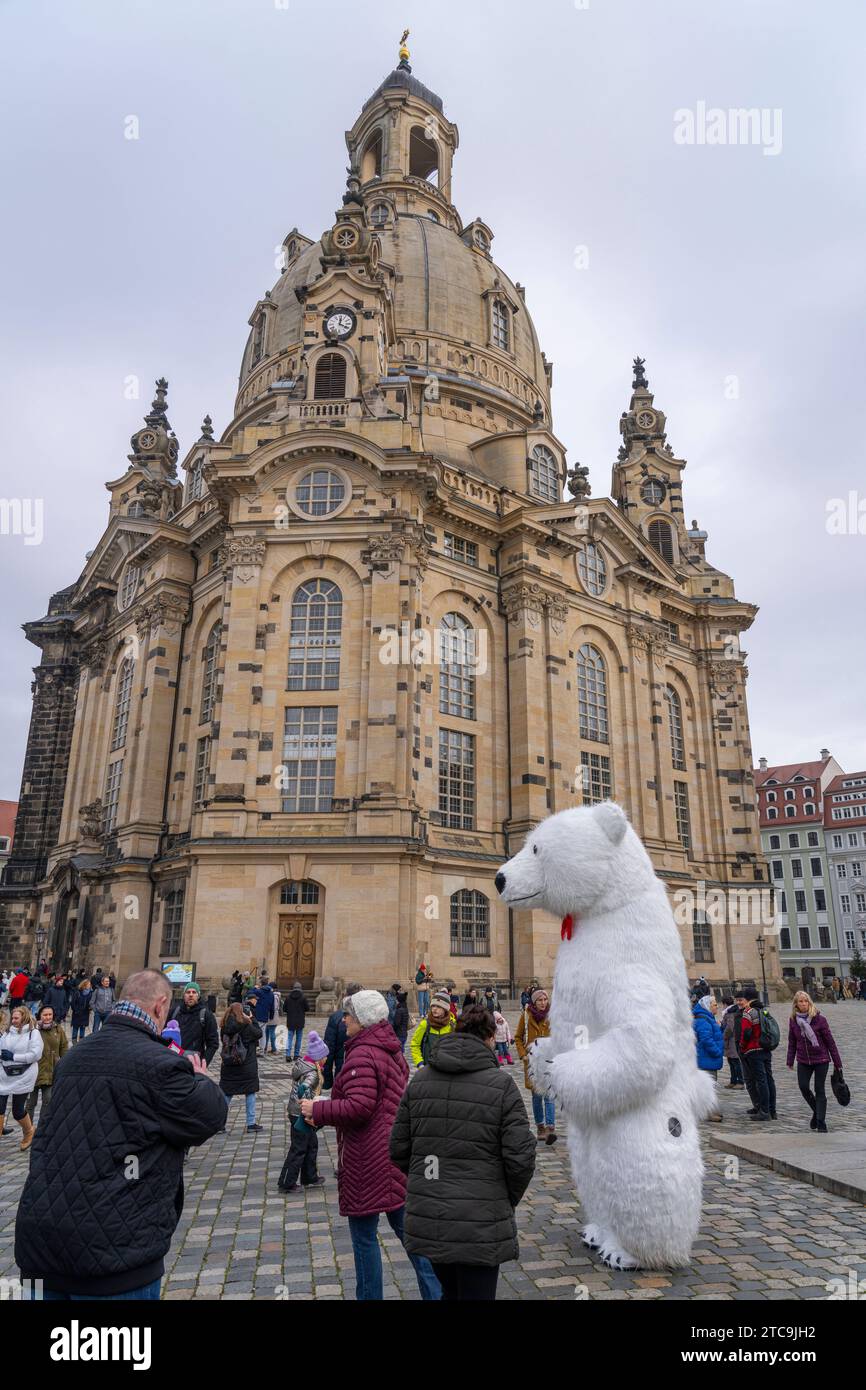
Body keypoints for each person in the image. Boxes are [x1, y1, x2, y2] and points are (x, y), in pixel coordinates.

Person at [15, 969, 226, 1300]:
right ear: (160, 1006)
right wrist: (198, 1077)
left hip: (41, 1246)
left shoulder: (73, 1057)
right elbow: (209, 1114)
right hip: (114, 1258)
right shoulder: (160, 1063)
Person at [391, 1004, 536, 1301]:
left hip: (431, 1217)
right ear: (489, 1037)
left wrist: (429, 1183)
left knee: (449, 1293)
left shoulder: (420, 1081)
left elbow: (399, 1148)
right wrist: (504, 1198)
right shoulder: (502, 1085)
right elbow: (521, 1157)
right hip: (482, 1221)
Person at [301, 990, 440, 1301]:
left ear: (363, 1019)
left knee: (364, 1241)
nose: (344, 1019)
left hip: (368, 1159)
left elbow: (359, 1106)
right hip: (392, 1154)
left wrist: (318, 1109)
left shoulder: (363, 1053)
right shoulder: (389, 1048)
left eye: (349, 1014)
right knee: (413, 1238)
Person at [278, 1030, 329, 1193]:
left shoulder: (303, 1064)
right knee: (299, 1147)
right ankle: (287, 1182)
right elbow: (304, 1088)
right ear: (319, 1058)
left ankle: (309, 1176)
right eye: (325, 1056)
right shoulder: (313, 1073)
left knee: (311, 1144)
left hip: (295, 1111)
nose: (326, 1059)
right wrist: (309, 1102)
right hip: (301, 1113)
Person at [786, 990, 843, 1133]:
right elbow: (792, 1041)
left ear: (809, 1002)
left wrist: (837, 1063)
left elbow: (830, 1042)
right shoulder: (793, 1020)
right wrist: (790, 1059)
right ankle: (816, 1111)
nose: (804, 1004)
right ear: (796, 1004)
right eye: (801, 1001)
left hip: (821, 1059)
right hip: (803, 1059)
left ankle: (821, 1121)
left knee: (819, 1089)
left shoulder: (820, 1019)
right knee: (803, 1087)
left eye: (806, 1001)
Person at [514, 987, 557, 1144]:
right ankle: (540, 1127)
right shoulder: (526, 1016)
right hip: (532, 1064)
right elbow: (518, 1037)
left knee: (550, 1096)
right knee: (537, 1097)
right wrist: (523, 1054)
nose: (543, 1003)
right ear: (534, 1001)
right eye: (540, 1000)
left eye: (545, 999)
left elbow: (559, 1036)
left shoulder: (553, 1016)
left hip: (548, 1062)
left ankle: (550, 1129)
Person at [0, 1005, 44, 1149]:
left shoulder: (33, 1033)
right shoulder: (7, 1033)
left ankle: (29, 1131)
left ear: (24, 1017)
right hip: (5, 1073)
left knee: (17, 1110)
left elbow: (35, 1055)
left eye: (16, 1018)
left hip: (24, 1075)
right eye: (12, 1017)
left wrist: (14, 1056)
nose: (13, 1020)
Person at [218, 1001, 263, 1132]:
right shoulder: (246, 1025)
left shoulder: (224, 1025)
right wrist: (252, 1018)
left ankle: (219, 1124)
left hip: (229, 1064)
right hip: (246, 1065)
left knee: (226, 1095)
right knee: (250, 1093)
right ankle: (251, 1123)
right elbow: (258, 1033)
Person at [26, 1004, 68, 1125]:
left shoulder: (58, 1029)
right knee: (30, 1103)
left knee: (48, 1101)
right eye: (45, 1015)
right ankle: (28, 1130)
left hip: (51, 1072)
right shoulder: (32, 1029)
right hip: (33, 1072)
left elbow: (64, 1048)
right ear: (40, 1015)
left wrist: (63, 1065)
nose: (48, 1017)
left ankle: (42, 1127)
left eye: (50, 1014)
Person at [740, 996, 778, 1122]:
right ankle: (772, 1111)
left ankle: (764, 1111)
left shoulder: (748, 1013)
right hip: (766, 1048)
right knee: (769, 1079)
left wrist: (742, 1046)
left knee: (761, 1081)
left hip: (754, 1050)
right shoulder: (764, 1011)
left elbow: (746, 1032)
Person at [322, 982, 361, 1089]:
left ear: (345, 994)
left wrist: (327, 1079)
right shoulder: (369, 1017)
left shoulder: (336, 1017)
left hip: (342, 1069)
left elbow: (328, 1050)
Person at [169, 982, 219, 1065]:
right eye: (188, 992)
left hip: (194, 1063)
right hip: (174, 1060)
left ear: (198, 996)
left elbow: (213, 1043)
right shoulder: (175, 1011)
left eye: (194, 992)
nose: (191, 995)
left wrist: (203, 1063)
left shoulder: (206, 1014)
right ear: (184, 995)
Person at [692, 993, 724, 1122]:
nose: (717, 1007)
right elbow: (706, 1039)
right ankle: (710, 1112)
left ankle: (709, 1111)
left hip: (708, 1059)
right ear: (707, 1006)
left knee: (709, 1086)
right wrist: (717, 1052)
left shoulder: (707, 1018)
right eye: (715, 1005)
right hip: (706, 1059)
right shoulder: (703, 1020)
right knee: (709, 1087)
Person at [410, 991, 456, 1068]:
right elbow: (415, 1044)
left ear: (445, 1009)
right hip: (428, 1069)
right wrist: (420, 1063)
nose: (434, 1009)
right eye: (433, 1006)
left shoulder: (453, 1025)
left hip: (448, 1069)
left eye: (438, 1006)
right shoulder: (425, 1024)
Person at [720, 995, 745, 1089]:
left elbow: (730, 1027)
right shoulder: (731, 1012)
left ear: (725, 1004)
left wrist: (723, 1036)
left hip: (732, 1041)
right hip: (731, 1041)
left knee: (735, 1062)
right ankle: (733, 1081)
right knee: (731, 1061)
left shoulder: (729, 1013)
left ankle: (740, 1081)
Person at [283, 981, 307, 1062]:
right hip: (300, 1021)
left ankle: (288, 1055)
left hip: (290, 1021)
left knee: (289, 1038)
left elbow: (284, 1009)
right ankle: (296, 1055)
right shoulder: (303, 997)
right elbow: (307, 1008)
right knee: (299, 1039)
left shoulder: (288, 997)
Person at [252, 979, 275, 1056]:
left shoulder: (259, 991)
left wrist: (255, 987)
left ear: (261, 984)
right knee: (263, 1034)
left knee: (255, 1032)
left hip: (257, 1015)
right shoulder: (271, 993)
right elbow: (272, 1006)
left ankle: (255, 1049)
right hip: (265, 1015)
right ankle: (262, 1051)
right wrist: (271, 1016)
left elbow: (250, 992)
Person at [267, 984, 281, 1053]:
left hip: (272, 1015)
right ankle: (265, 1047)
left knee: (271, 1032)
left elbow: (274, 1007)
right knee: (267, 1032)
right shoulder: (276, 995)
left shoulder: (274, 996)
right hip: (272, 1015)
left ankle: (273, 1048)